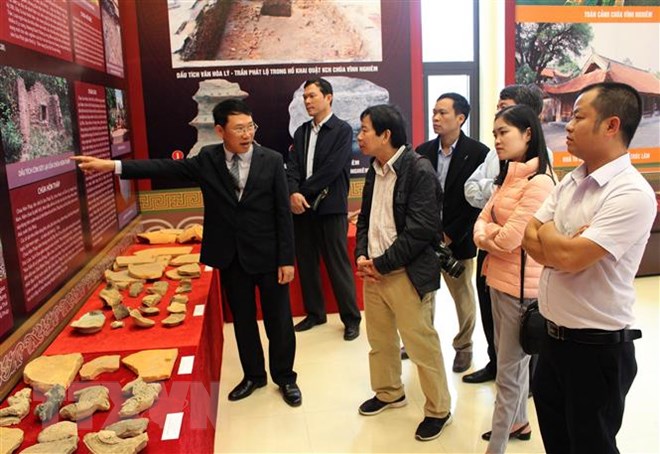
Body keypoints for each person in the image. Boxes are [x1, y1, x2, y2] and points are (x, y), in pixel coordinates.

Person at [71, 99, 303, 407]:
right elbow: (165, 167)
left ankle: (285, 378)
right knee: (243, 321)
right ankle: (254, 376)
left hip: (269, 256)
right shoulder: (207, 159)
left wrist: (286, 259)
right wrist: (112, 166)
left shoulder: (271, 160)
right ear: (220, 131)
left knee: (279, 321)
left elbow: (282, 213)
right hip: (232, 257)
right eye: (239, 129)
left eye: (250, 127)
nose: (247, 134)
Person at [523, 82, 655, 453]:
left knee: (591, 445)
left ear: (611, 125)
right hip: (552, 342)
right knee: (558, 442)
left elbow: (567, 256)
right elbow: (528, 237)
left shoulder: (630, 193)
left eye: (579, 116)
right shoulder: (572, 179)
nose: (567, 124)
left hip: (595, 351)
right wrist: (561, 239)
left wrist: (551, 235)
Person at [354, 104, 452, 442]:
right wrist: (362, 254)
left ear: (385, 135)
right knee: (380, 340)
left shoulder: (418, 170)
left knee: (420, 344)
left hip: (406, 273)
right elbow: (365, 218)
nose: (359, 136)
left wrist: (381, 264)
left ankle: (439, 410)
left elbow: (421, 230)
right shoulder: (374, 169)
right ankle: (389, 392)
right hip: (374, 271)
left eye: (365, 129)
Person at [474, 105, 555, 453]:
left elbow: (509, 238)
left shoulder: (540, 182)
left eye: (503, 132)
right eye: (495, 133)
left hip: (521, 290)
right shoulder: (510, 175)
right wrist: (490, 233)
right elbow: (481, 221)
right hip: (498, 279)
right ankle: (518, 421)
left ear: (527, 134)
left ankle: (496, 446)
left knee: (508, 371)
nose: (497, 139)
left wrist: (489, 234)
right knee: (513, 365)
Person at [463, 84, 545, 384]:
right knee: (491, 317)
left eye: (506, 108)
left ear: (528, 123)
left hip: (519, 268)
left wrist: (492, 225)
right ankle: (494, 362)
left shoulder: (539, 169)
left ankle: (527, 380)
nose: (498, 135)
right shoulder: (498, 155)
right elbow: (471, 190)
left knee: (520, 336)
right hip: (492, 259)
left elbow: (511, 236)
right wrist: (492, 224)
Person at [415, 92, 489, 373]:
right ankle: (422, 341)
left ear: (460, 118)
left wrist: (450, 234)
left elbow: (476, 203)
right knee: (424, 295)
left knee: (463, 296)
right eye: (434, 112)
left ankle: (464, 345)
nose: (435, 117)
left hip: (459, 238)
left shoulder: (478, 152)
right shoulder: (422, 151)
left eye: (443, 112)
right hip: (426, 238)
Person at [286, 78, 361, 340]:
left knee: (337, 264)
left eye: (312, 96)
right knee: (307, 263)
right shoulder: (301, 132)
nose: (307, 101)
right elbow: (292, 167)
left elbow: (332, 169)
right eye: (305, 97)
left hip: (330, 207)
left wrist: (302, 192)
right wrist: (292, 192)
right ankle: (315, 314)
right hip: (302, 208)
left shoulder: (342, 130)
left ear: (328, 97)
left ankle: (351, 319)